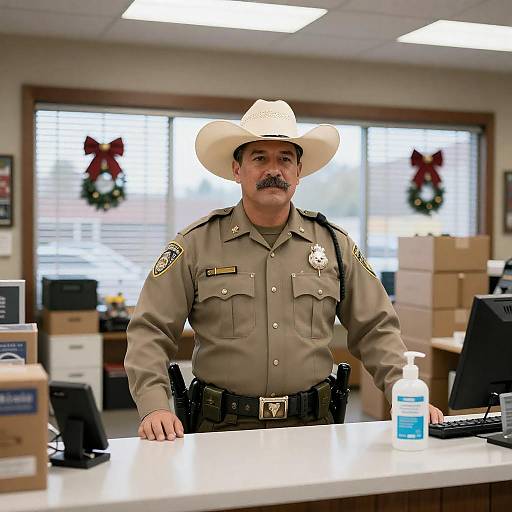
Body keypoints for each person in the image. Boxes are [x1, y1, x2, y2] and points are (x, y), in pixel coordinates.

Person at [125, 99, 444, 441]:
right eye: (259, 158)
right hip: (220, 431)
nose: (273, 170)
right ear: (237, 169)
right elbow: (150, 330)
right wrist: (155, 405)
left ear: (298, 172)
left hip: (313, 430)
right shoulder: (195, 245)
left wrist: (403, 391)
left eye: (285, 159)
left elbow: (376, 328)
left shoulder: (335, 245)